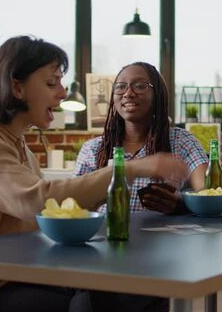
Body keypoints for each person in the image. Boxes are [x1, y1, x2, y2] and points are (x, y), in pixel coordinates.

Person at [0, 36, 188, 312]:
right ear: (17, 87)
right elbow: (42, 203)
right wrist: (132, 168)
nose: (62, 93)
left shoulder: (13, 141)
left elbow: (51, 206)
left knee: (148, 291)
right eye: (51, 83)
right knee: (106, 301)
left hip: (16, 273)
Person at [74, 61, 208, 214]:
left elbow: (209, 194)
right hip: (105, 236)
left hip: (162, 237)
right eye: (120, 86)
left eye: (139, 86)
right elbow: (71, 206)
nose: (128, 93)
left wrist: (182, 205)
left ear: (157, 94)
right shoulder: (93, 149)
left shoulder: (181, 141)